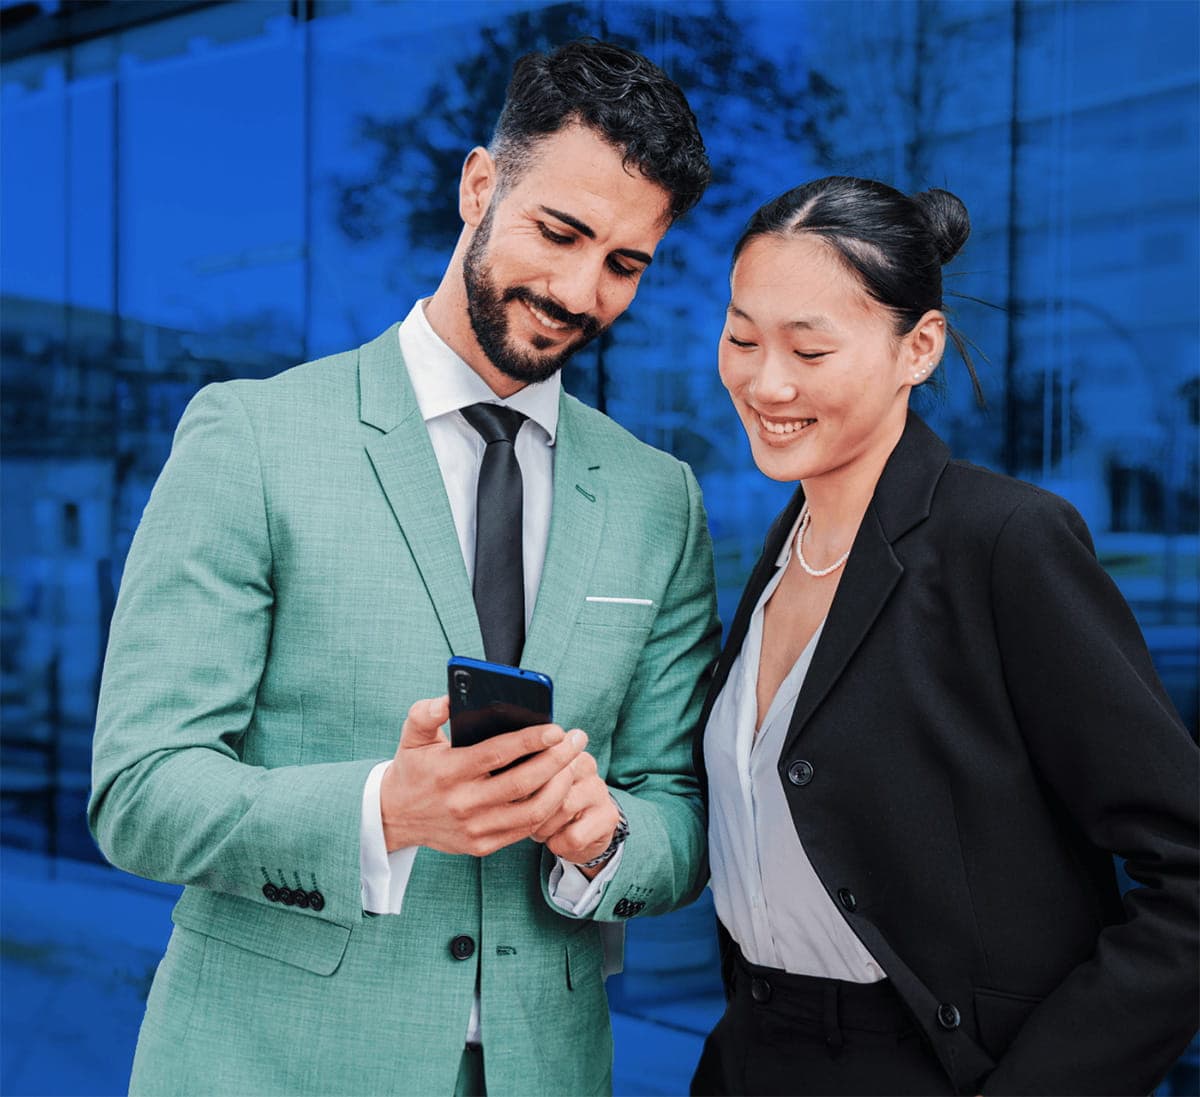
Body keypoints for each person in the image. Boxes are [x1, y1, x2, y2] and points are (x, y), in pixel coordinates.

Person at [89, 39, 721, 1097]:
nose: (580, 291)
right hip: (268, 1064)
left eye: (624, 264)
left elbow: (679, 810)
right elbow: (140, 788)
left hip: (546, 1066)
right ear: (480, 183)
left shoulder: (663, 499)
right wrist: (385, 808)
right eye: (559, 233)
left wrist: (601, 833)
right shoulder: (252, 436)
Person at [690, 176, 1199, 1097]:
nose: (766, 381)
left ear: (917, 347)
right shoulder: (783, 552)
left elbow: (1189, 871)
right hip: (752, 1059)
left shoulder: (1004, 541)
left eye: (809, 347)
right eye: (741, 337)